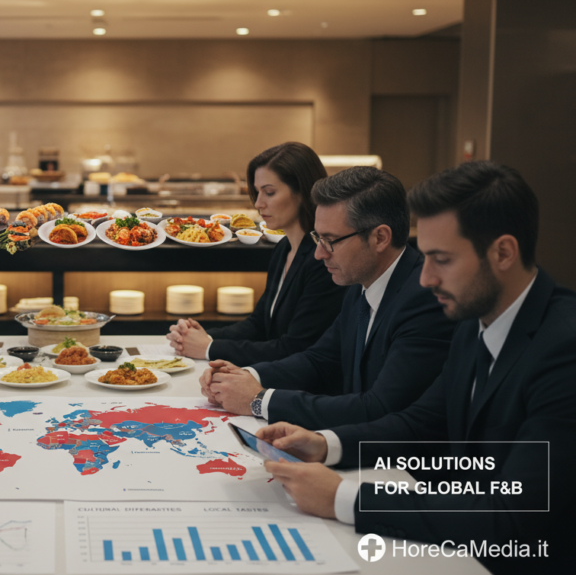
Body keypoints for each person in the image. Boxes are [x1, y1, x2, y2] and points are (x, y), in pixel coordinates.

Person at [256, 161, 573, 574]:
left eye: (441, 259)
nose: (424, 279)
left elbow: (514, 515)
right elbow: (421, 423)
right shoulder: (474, 321)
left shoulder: (564, 349)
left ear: (503, 253)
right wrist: (325, 443)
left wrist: (344, 498)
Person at [201, 166, 456, 429]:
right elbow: (320, 359)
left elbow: (379, 407)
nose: (319, 254)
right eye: (318, 238)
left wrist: (259, 400)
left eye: (330, 240)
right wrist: (244, 376)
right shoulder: (361, 280)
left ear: (380, 238)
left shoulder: (425, 299)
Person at [167, 142, 345, 364]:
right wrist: (202, 337)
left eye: (269, 192)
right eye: (257, 192)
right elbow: (259, 324)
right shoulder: (283, 248)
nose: (258, 204)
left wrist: (209, 348)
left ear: (302, 191)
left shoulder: (323, 259)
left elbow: (295, 348)